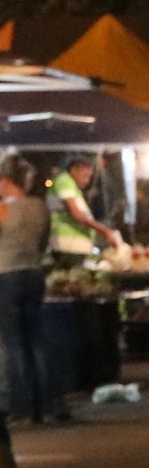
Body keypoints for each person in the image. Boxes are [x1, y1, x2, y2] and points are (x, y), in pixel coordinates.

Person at [0, 162, 63, 426]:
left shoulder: (2, 210)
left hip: (6, 275)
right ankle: (47, 405)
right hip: (34, 275)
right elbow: (42, 242)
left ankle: (23, 408)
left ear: (5, 181)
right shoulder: (40, 207)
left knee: (13, 343)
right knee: (37, 340)